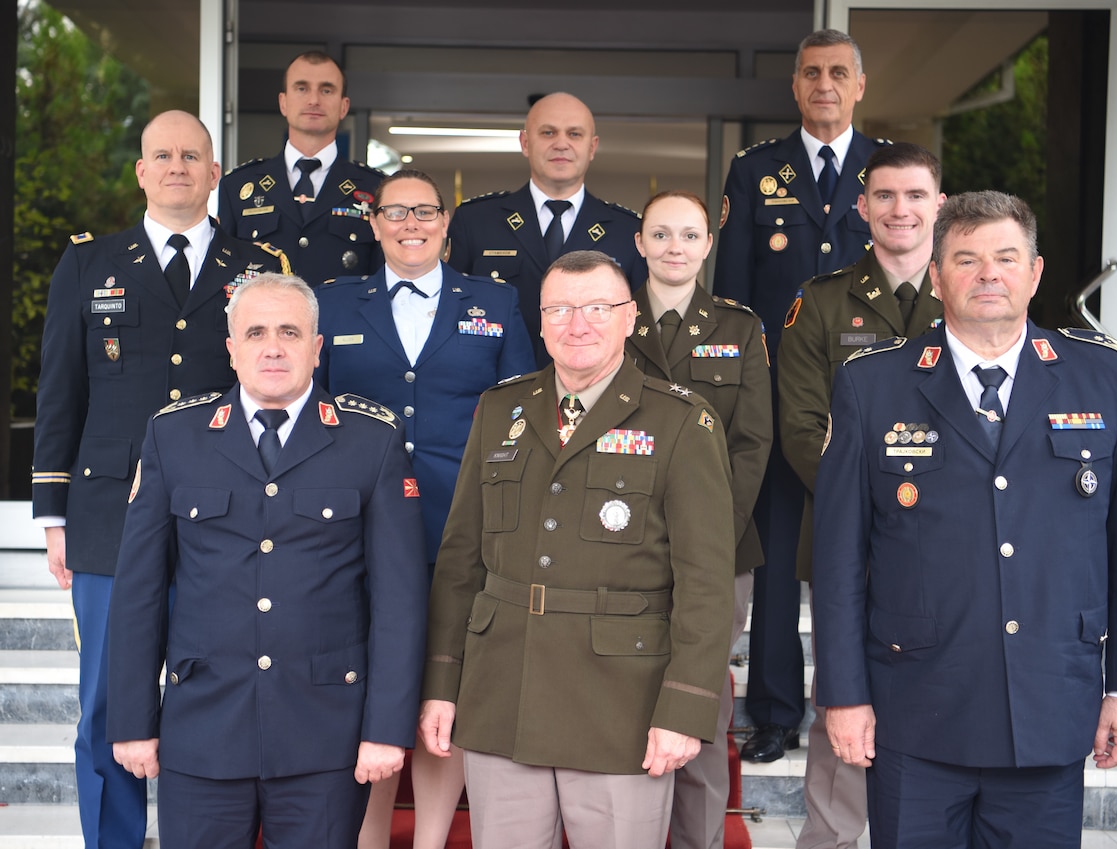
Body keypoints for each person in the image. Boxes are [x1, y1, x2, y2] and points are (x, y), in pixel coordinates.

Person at [814, 191, 1117, 849]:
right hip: (914, 711)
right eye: (966, 260)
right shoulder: (872, 384)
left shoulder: (1102, 374)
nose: (988, 274)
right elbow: (838, 560)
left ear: (1035, 272)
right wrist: (843, 694)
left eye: (1006, 257)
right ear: (937, 276)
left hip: (1049, 705)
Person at [29, 110, 287, 849]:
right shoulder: (87, 263)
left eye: (193, 156)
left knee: (209, 700)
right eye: (162, 155)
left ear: (214, 174)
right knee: (110, 702)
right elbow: (61, 391)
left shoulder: (259, 264)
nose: (178, 165)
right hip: (110, 516)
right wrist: (54, 515)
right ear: (140, 172)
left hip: (228, 519)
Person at [419, 250, 735, 849]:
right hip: (502, 693)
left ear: (630, 318)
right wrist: (441, 682)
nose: (577, 323)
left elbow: (707, 582)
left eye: (597, 307)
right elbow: (461, 561)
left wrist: (685, 708)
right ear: (539, 322)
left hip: (621, 705)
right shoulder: (499, 408)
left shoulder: (679, 422)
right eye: (559, 309)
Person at [106, 273, 429, 849]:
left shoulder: (371, 440)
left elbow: (399, 599)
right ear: (231, 348)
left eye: (289, 331)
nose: (273, 347)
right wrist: (132, 721)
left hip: (325, 734)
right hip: (202, 729)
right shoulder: (173, 436)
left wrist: (386, 729)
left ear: (316, 347)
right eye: (255, 332)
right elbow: (139, 592)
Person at [315, 168, 535, 849]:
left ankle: (433, 839)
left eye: (425, 212)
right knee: (373, 692)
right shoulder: (332, 303)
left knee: (447, 691)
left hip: (461, 529)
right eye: (396, 212)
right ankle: (371, 838)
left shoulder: (495, 303)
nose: (411, 224)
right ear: (374, 224)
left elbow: (522, 412)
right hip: (354, 531)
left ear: (447, 223)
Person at [712, 28, 889, 768]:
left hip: (877, 397)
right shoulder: (757, 170)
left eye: (838, 72)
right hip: (785, 402)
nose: (824, 84)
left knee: (876, 557)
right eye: (812, 73)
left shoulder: (889, 170)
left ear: (860, 84)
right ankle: (777, 712)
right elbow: (736, 294)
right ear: (795, 86)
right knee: (781, 564)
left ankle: (878, 699)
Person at [777, 142, 945, 849]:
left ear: (940, 203)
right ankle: (832, 839)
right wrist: (877, 509)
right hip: (852, 545)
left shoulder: (972, 295)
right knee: (844, 697)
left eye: (914, 195)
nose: (899, 209)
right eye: (884, 196)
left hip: (954, 546)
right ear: (861, 207)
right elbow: (804, 428)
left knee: (946, 696)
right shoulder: (819, 303)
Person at [625, 191, 772, 849]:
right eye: (662, 234)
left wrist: (707, 531)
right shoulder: (610, 316)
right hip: (619, 540)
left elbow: (753, 441)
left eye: (689, 234)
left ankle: (699, 840)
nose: (675, 247)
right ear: (640, 242)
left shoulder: (740, 327)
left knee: (700, 701)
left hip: (719, 548)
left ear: (709, 243)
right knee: (624, 695)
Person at [445, 92, 647, 366]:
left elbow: (636, 329)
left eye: (574, 134)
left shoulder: (627, 231)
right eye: (548, 133)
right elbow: (451, 314)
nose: (561, 144)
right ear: (525, 142)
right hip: (497, 388)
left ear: (592, 147)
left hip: (595, 394)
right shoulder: (476, 221)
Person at [217, 50, 384, 286]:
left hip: (343, 322)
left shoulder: (376, 188)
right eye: (302, 88)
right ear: (283, 102)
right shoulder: (237, 186)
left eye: (326, 90)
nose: (314, 100)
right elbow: (224, 277)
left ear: (344, 106)